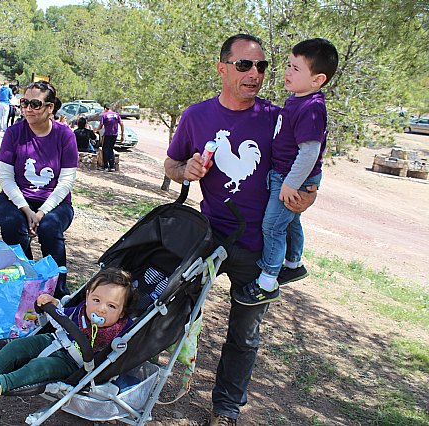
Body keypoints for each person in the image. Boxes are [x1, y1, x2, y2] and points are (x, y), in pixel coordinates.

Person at [164, 34, 317, 425]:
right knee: (171, 309)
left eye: (262, 66)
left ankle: (226, 409)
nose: (255, 74)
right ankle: (147, 380)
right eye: (245, 65)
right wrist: (187, 170)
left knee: (244, 334)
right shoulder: (196, 116)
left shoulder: (277, 117)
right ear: (222, 68)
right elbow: (172, 165)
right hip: (209, 236)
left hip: (259, 246)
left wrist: (307, 198)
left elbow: (307, 168)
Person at [233, 38, 338, 306]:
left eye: (296, 69)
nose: (288, 72)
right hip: (286, 175)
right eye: (288, 66)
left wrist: (291, 184)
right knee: (290, 221)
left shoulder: (311, 108)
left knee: (272, 226)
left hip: (293, 178)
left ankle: (267, 281)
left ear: (318, 79)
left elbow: (309, 152)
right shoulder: (297, 100)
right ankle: (293, 262)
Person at [0, 267, 136, 404]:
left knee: (38, 367)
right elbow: (63, 312)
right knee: (15, 347)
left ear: (122, 312)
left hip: (74, 362)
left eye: (111, 306)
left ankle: (0, 384)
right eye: (96, 300)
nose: (101, 309)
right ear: (87, 296)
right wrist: (53, 303)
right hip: (55, 339)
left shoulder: (122, 329)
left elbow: (137, 341)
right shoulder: (81, 309)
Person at [0, 80, 78, 298]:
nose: (28, 109)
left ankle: (58, 294)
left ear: (50, 108)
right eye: (24, 103)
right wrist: (26, 209)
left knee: (49, 228)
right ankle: (24, 283)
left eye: (35, 104)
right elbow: (6, 178)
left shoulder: (65, 136)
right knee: (12, 225)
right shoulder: (14, 133)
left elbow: (66, 182)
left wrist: (41, 212)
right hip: (15, 199)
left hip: (54, 203)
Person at [95, 105, 124, 171]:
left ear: (105, 109)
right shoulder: (116, 115)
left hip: (107, 134)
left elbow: (101, 125)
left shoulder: (104, 115)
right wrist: (122, 134)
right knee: (111, 149)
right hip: (114, 134)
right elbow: (121, 124)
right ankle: (112, 166)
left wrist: (96, 130)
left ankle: (105, 166)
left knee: (105, 149)